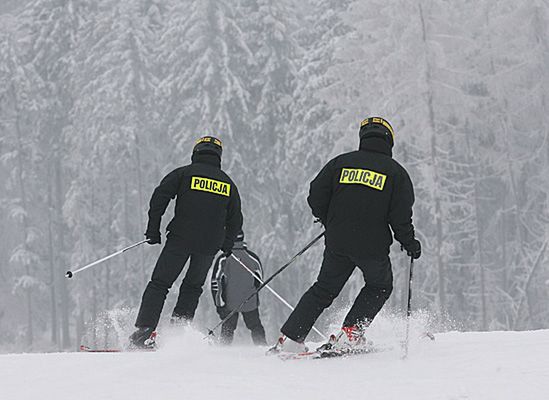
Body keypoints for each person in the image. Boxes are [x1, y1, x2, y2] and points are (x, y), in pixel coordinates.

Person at [271, 117, 421, 353]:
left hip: (338, 240)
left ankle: (290, 339)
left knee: (324, 289)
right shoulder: (396, 173)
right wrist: (409, 242)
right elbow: (400, 216)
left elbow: (315, 195)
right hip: (372, 245)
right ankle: (350, 333)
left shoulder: (340, 164)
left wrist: (328, 219)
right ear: (389, 140)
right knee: (380, 286)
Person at [130, 136, 243, 348]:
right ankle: (177, 336)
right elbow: (236, 218)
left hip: (180, 239)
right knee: (192, 288)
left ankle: (144, 333)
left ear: (196, 152)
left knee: (160, 284)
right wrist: (227, 244)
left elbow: (160, 196)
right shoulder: (227, 183)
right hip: (209, 245)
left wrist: (153, 229)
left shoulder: (184, 174)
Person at [210, 230, 267, 345]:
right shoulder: (253, 258)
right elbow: (259, 281)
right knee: (255, 327)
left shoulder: (223, 259)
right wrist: (251, 293)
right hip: (249, 301)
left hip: (229, 303)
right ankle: (262, 348)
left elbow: (215, 283)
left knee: (228, 329)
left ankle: (223, 351)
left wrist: (219, 305)